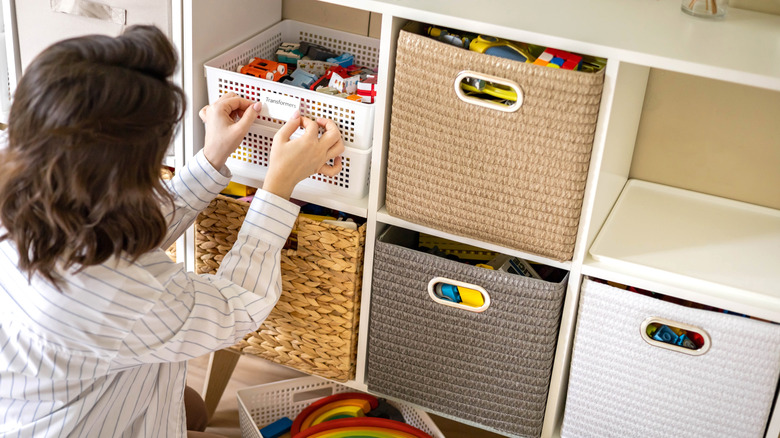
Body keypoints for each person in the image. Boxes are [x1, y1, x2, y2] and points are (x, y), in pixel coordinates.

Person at [0, 25, 345, 437]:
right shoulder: (114, 296)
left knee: (192, 409)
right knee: (188, 411)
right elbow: (239, 306)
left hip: (37, 395)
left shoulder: (30, 171)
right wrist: (278, 186)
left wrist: (212, 157)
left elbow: (113, 233)